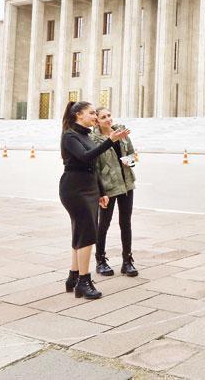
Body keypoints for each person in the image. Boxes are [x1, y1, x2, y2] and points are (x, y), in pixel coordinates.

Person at [60, 101, 129, 300]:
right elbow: (84, 157)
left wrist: (101, 191)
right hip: (75, 188)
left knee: (80, 233)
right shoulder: (70, 136)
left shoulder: (87, 135)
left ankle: (73, 277)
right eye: (91, 113)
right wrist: (111, 141)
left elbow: (94, 164)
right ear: (78, 115)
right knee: (88, 235)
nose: (95, 117)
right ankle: (84, 280)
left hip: (91, 186)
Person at [90, 107, 139, 277]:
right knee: (104, 223)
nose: (108, 119)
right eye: (103, 117)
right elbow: (95, 166)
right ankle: (100, 260)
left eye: (109, 115)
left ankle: (127, 261)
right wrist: (99, 191)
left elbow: (132, 154)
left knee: (126, 223)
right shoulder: (94, 139)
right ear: (96, 121)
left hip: (126, 184)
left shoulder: (122, 132)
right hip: (108, 186)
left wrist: (130, 161)